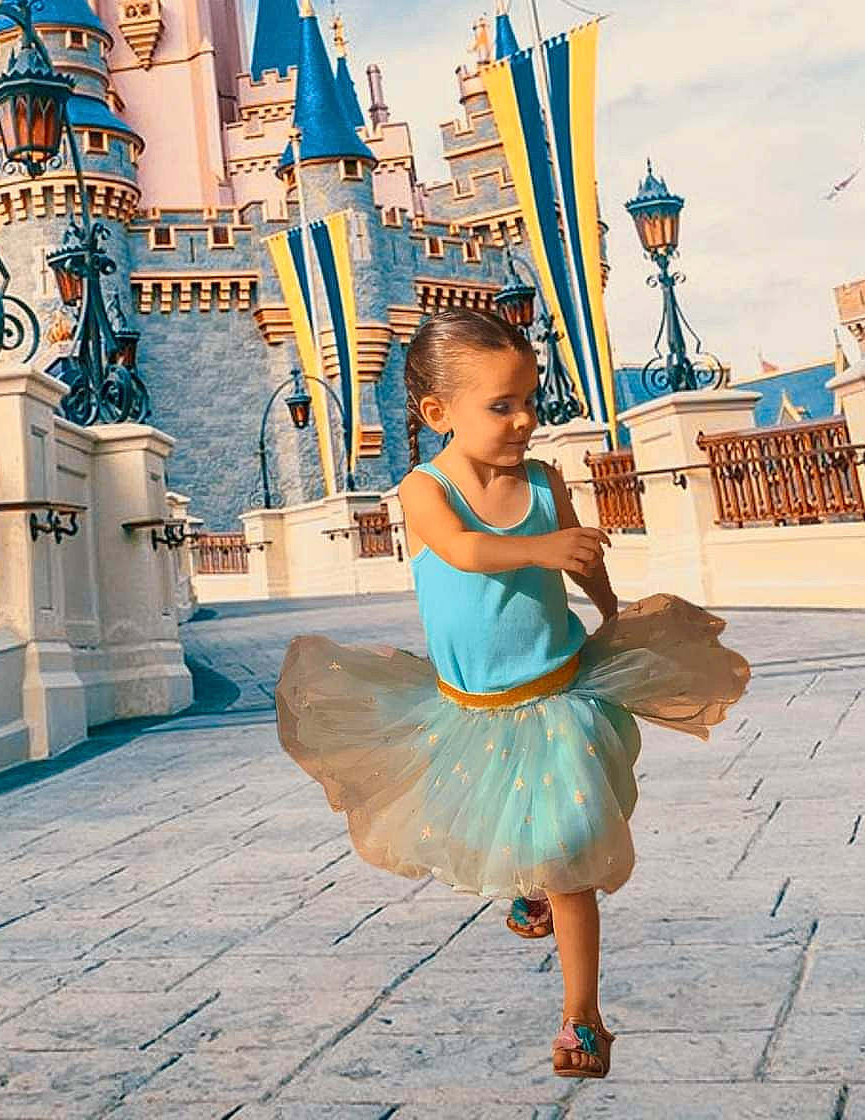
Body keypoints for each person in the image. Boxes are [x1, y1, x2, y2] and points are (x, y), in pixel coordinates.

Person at [275, 307, 752, 1081]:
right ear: (439, 413)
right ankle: (529, 886)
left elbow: (582, 560)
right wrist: (542, 547)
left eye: (529, 399)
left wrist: (610, 611)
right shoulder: (423, 489)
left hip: (560, 697)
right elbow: (465, 551)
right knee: (512, 829)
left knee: (569, 856)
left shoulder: (543, 483)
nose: (525, 419)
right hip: (472, 711)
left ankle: (582, 1017)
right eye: (502, 405)